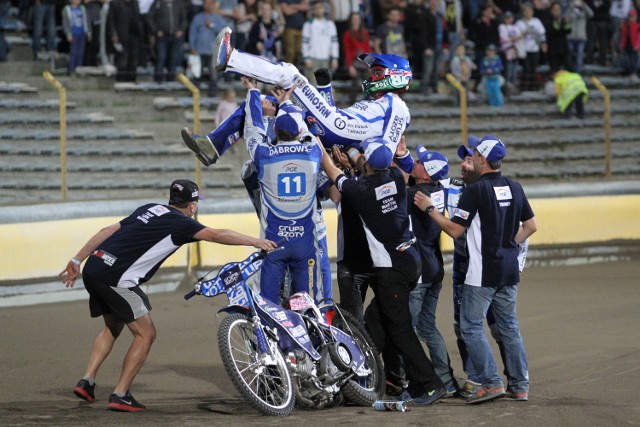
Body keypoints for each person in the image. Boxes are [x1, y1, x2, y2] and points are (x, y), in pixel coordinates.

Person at [60, 179, 276, 411]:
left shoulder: (150, 208)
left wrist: (76, 260)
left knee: (113, 327)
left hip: (94, 267)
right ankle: (120, 394)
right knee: (146, 334)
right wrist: (256, 241)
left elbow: (106, 231)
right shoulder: (182, 223)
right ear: (192, 206)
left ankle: (87, 381)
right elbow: (216, 234)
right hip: (117, 280)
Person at [320, 136, 446, 405]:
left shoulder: (361, 190)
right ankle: (360, 378)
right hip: (411, 261)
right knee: (375, 322)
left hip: (391, 269)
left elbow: (332, 172)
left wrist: (317, 145)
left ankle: (431, 384)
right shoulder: (396, 178)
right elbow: (367, 163)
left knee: (400, 330)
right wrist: (354, 155)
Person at [414, 135, 537, 404]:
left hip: (482, 271)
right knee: (509, 326)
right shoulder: (514, 187)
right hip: (508, 270)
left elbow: (455, 229)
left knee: (469, 327)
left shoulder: (476, 191)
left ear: (482, 159)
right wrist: (508, 244)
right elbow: (531, 226)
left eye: (474, 157)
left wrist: (431, 210)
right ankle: (519, 385)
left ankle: (491, 382)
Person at [182, 26, 413, 164]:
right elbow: (337, 122)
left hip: (337, 129)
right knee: (258, 104)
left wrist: (357, 158)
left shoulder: (399, 107)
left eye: (378, 72)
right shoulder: (379, 103)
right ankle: (212, 145)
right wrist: (325, 91)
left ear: (396, 76)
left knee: (291, 74)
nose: (372, 77)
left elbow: (386, 150)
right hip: (334, 128)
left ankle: (231, 59)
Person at [240, 77, 325, 303]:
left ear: (275, 130)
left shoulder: (263, 154)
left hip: (273, 244)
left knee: (268, 303)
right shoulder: (312, 154)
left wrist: (253, 93)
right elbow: (308, 134)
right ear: (298, 131)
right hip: (304, 245)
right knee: (307, 305)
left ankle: (274, 335)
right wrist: (286, 103)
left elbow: (253, 128)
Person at [407, 145, 460, 396]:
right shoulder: (438, 190)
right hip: (434, 269)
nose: (414, 163)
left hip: (418, 273)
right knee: (428, 327)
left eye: (419, 161)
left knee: (406, 330)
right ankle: (447, 380)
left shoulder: (414, 195)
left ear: (426, 174)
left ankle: (419, 382)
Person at [189, 0, 227, 96]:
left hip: (213, 51)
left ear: (214, 4)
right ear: (203, 5)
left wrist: (212, 25)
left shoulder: (218, 18)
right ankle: (193, 92)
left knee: (213, 74)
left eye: (210, 3)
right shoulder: (197, 18)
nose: (208, 5)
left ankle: (212, 93)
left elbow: (223, 33)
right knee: (196, 72)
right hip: (199, 50)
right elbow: (192, 33)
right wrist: (192, 47)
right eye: (206, 3)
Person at [148, 0, 188, 83]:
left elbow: (184, 19)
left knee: (173, 58)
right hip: (162, 37)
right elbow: (149, 18)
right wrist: (156, 30)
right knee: (161, 57)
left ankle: (170, 80)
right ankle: (158, 80)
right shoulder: (157, 3)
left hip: (175, 37)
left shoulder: (179, 4)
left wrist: (181, 30)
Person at [301, 0, 339, 85]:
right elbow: (305, 42)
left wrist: (335, 58)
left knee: (325, 85)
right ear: (313, 10)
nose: (318, 10)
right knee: (313, 86)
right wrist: (306, 58)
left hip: (326, 59)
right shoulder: (308, 24)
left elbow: (334, 42)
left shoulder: (330, 24)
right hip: (313, 59)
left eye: (320, 8)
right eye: (316, 8)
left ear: (324, 9)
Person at [107, 0, 144, 82]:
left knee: (134, 60)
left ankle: (131, 80)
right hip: (121, 36)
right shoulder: (115, 3)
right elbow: (110, 21)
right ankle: (121, 81)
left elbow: (138, 18)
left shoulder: (135, 3)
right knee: (122, 60)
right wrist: (114, 34)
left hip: (134, 35)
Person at [516, 2, 547, 91]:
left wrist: (543, 43)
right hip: (524, 49)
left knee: (534, 68)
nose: (528, 13)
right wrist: (524, 34)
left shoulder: (536, 21)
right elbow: (516, 35)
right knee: (526, 68)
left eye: (529, 11)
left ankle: (534, 86)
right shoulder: (519, 23)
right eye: (526, 11)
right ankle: (525, 87)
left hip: (534, 48)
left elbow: (541, 33)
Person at [62, 0, 92, 74]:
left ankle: (79, 69)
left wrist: (89, 32)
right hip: (73, 34)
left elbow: (87, 20)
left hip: (82, 33)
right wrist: (68, 33)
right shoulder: (67, 9)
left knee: (80, 52)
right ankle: (71, 69)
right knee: (73, 52)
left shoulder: (82, 8)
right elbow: (65, 22)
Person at [499, 11, 523, 92]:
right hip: (507, 50)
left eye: (510, 18)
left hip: (515, 49)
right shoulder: (502, 26)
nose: (509, 19)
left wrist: (513, 38)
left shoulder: (515, 27)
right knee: (508, 68)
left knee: (514, 68)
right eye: (507, 18)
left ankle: (513, 85)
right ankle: (507, 85)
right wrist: (512, 38)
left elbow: (519, 36)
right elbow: (503, 38)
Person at [567, 0, 594, 74]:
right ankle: (571, 70)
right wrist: (571, 7)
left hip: (581, 37)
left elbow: (591, 14)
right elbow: (565, 17)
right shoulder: (571, 10)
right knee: (569, 54)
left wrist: (584, 5)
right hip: (571, 37)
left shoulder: (584, 11)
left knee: (580, 57)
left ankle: (578, 73)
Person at [619, 8, 640, 80]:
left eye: (633, 16)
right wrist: (621, 45)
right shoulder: (625, 26)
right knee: (628, 60)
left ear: (636, 17)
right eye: (630, 16)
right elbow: (623, 36)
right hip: (627, 45)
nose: (631, 18)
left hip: (634, 46)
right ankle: (629, 73)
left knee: (634, 60)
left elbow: (639, 37)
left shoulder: (637, 26)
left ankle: (634, 73)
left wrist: (638, 45)